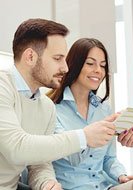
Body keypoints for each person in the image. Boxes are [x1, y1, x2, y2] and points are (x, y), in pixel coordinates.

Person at [0, 18, 118, 190]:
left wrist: (47, 183)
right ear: (30, 56)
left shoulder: (46, 107)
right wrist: (84, 137)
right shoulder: (3, 87)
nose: (66, 68)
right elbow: (17, 148)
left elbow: (39, 164)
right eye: (57, 58)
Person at [48, 38, 133, 190]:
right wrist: (93, 134)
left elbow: (108, 158)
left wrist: (121, 175)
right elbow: (73, 158)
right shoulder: (52, 109)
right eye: (90, 64)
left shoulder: (104, 109)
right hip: (71, 187)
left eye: (103, 65)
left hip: (102, 186)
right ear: (74, 64)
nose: (98, 70)